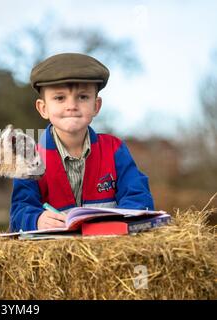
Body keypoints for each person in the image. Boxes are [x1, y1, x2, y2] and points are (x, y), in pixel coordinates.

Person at [10, 53, 154, 231]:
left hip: (109, 245)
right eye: (60, 98)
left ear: (96, 106)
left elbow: (139, 196)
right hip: (54, 252)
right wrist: (37, 219)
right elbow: (19, 211)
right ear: (43, 108)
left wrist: (124, 221)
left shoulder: (115, 150)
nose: (71, 105)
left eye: (83, 97)